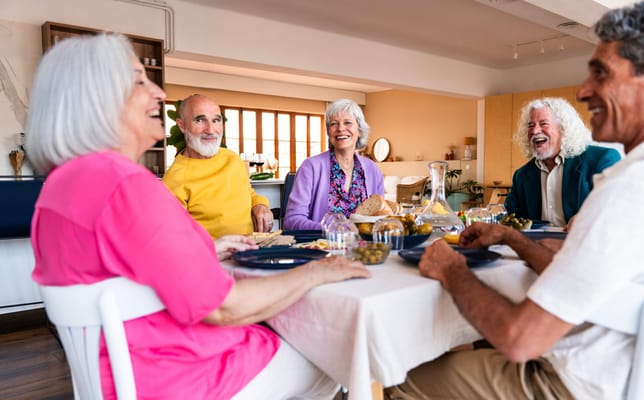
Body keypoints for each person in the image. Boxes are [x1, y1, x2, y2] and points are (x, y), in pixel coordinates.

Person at [25, 33, 371, 400]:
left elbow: (129, 270)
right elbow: (224, 308)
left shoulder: (59, 188)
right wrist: (319, 270)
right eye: (140, 81)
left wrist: (205, 247)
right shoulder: (124, 183)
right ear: (98, 97)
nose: (159, 93)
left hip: (114, 375)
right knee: (331, 352)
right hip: (180, 376)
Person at [385, 3, 644, 399]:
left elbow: (519, 339)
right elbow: (584, 271)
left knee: (400, 376)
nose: (582, 90)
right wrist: (513, 237)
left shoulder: (623, 188)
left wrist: (452, 269)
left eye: (601, 73)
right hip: (611, 363)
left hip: (581, 382)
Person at [162, 94, 274, 239]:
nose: (210, 129)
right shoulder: (174, 180)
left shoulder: (232, 158)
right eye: (200, 120)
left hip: (251, 252)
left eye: (216, 120)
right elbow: (174, 238)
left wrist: (259, 205)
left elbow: (248, 193)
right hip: (211, 258)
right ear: (182, 125)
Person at [504, 97, 620, 227]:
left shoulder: (602, 159)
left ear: (563, 129)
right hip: (537, 245)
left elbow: (617, 205)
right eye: (531, 125)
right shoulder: (522, 175)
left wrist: (587, 217)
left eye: (543, 124)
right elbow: (507, 217)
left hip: (583, 243)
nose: (534, 131)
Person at [284, 98, 384, 230]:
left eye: (348, 123)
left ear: (359, 130)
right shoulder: (311, 167)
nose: (341, 129)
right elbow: (292, 220)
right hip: (321, 247)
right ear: (328, 131)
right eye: (334, 124)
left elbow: (380, 217)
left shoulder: (373, 170)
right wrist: (330, 230)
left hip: (363, 248)